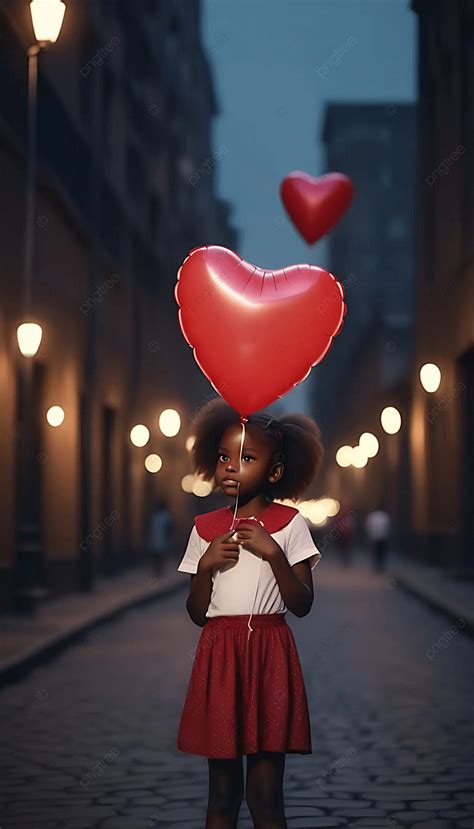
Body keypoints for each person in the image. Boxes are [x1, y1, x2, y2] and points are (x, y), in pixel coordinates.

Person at [176, 398, 323, 829]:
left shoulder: (290, 524)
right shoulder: (204, 528)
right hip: (219, 655)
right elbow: (196, 613)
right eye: (223, 456)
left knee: (265, 792)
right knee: (222, 792)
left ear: (274, 472)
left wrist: (274, 554)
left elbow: (303, 604)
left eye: (246, 457)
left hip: (269, 655)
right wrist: (205, 567)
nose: (230, 467)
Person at [148, 498, 174, 575]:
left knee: (157, 556)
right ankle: (159, 571)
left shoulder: (154, 516)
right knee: (160, 556)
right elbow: (170, 529)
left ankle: (157, 571)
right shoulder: (166, 517)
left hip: (155, 539)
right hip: (162, 539)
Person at [365, 506, 391, 571]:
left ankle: (377, 566)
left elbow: (368, 526)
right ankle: (381, 566)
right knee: (382, 552)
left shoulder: (372, 516)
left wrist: (370, 535)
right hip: (383, 537)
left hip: (374, 537)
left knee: (376, 552)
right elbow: (388, 526)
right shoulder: (385, 516)